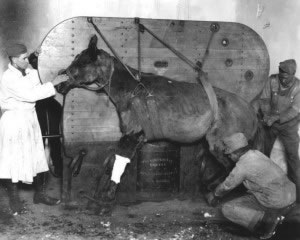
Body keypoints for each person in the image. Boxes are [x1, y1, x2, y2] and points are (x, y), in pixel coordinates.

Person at [0, 43, 68, 215]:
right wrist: (53, 83)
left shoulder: (29, 72)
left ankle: (40, 195)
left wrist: (38, 60)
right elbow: (30, 95)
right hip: (14, 122)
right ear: (14, 60)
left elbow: (39, 80)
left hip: (29, 119)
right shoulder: (7, 77)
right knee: (13, 161)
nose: (26, 61)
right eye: (23, 59)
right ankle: (14, 201)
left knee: (37, 156)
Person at [206, 133, 296, 239]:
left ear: (236, 152)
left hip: (276, 200)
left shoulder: (243, 165)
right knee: (249, 198)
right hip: (290, 195)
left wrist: (215, 195)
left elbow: (227, 185)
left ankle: (266, 225)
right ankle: (272, 216)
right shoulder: (256, 154)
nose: (229, 157)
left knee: (227, 208)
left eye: (229, 154)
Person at [253, 59, 300, 203]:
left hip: (289, 125)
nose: (283, 80)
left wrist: (276, 118)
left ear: (293, 75)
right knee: (263, 155)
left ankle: (298, 194)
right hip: (270, 124)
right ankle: (261, 188)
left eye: (286, 77)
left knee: (292, 158)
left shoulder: (299, 87)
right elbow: (264, 99)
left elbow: (295, 110)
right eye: (281, 76)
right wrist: (267, 115)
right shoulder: (272, 80)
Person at [28, 49, 63, 178]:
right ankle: (39, 171)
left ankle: (58, 167)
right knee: (40, 139)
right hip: (40, 106)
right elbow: (32, 60)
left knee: (54, 138)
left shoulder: (52, 68)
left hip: (51, 106)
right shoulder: (33, 73)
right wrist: (35, 55)